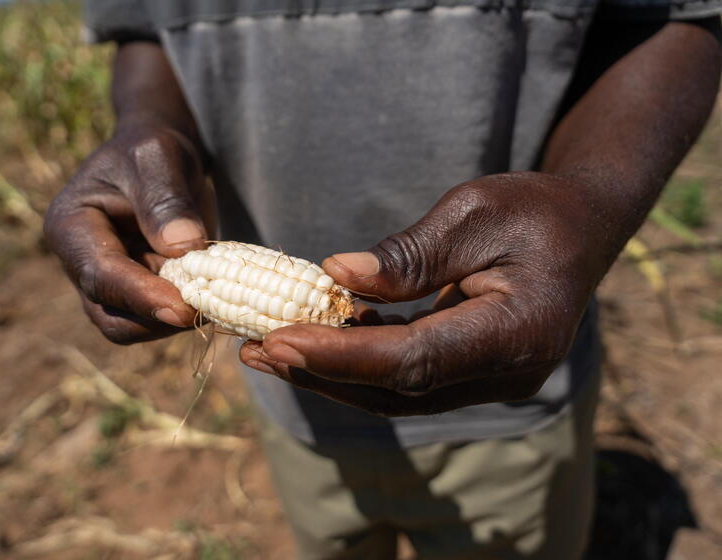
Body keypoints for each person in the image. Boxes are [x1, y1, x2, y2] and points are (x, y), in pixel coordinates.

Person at [44, 1, 721, 558]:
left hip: (506, 414)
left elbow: (678, 17)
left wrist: (591, 197)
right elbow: (142, 28)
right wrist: (150, 125)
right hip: (293, 402)